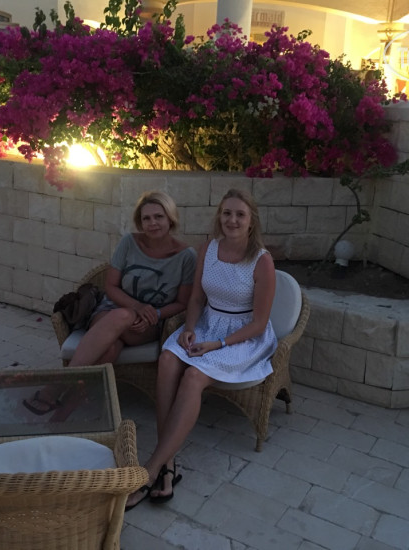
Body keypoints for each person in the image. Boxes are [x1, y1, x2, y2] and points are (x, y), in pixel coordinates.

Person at [125, 188, 277, 510]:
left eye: (240, 214)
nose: (232, 220)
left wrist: (217, 344)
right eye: (226, 213)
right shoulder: (208, 248)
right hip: (207, 324)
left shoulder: (262, 261)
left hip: (242, 337)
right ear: (219, 216)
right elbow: (195, 299)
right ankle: (169, 464)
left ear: (251, 221)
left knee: (194, 376)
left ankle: (151, 470)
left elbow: (259, 324)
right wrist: (190, 329)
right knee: (168, 359)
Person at [23, 190, 196, 416]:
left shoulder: (186, 256)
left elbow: (183, 303)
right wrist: (137, 307)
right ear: (140, 222)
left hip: (150, 323)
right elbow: (111, 286)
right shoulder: (129, 243)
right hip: (110, 311)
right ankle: (64, 412)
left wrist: (153, 313)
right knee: (115, 338)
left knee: (116, 336)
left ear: (170, 218)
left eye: (158, 217)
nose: (152, 223)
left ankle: (56, 387)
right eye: (146, 218)